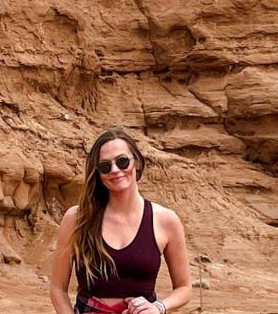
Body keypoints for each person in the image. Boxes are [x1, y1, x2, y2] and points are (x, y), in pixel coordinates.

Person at [49, 127, 192, 314]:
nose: (115, 170)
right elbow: (57, 289)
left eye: (123, 161)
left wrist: (159, 307)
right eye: (105, 166)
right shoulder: (77, 219)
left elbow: (184, 287)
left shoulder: (165, 220)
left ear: (137, 163)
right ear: (98, 173)